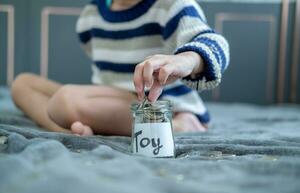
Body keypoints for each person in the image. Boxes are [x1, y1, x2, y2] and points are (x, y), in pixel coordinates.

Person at [11, 0, 230, 136]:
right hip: (109, 99)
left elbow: (215, 43)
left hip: (160, 107)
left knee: (64, 101)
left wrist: (186, 60)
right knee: (22, 84)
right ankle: (72, 127)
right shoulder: (90, 16)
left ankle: (176, 126)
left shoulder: (172, 6)